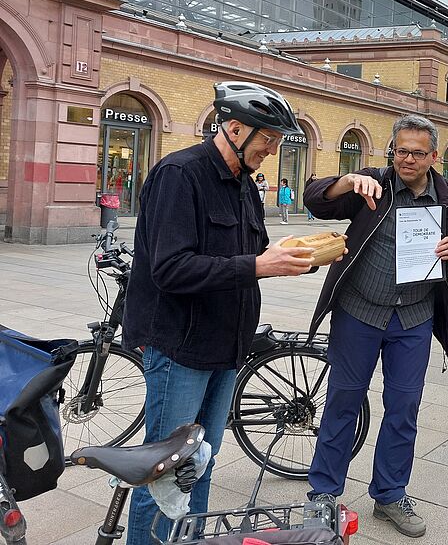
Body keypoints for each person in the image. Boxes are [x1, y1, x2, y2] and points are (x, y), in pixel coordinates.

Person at [121, 82, 326, 545]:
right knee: (166, 472)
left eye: (276, 143)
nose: (271, 152)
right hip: (181, 348)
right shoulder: (180, 174)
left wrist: (292, 256)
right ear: (234, 128)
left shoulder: (242, 185)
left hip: (225, 345)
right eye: (266, 141)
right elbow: (170, 268)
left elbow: (250, 255)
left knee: (200, 465)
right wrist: (257, 264)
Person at [303, 114, 448, 538]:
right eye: (401, 150)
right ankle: (323, 493)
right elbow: (316, 201)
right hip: (360, 311)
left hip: (414, 318)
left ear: (434, 156)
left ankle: (390, 493)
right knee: (343, 402)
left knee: (403, 409)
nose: (408, 159)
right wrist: (346, 181)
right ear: (392, 151)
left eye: (418, 152)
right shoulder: (373, 183)